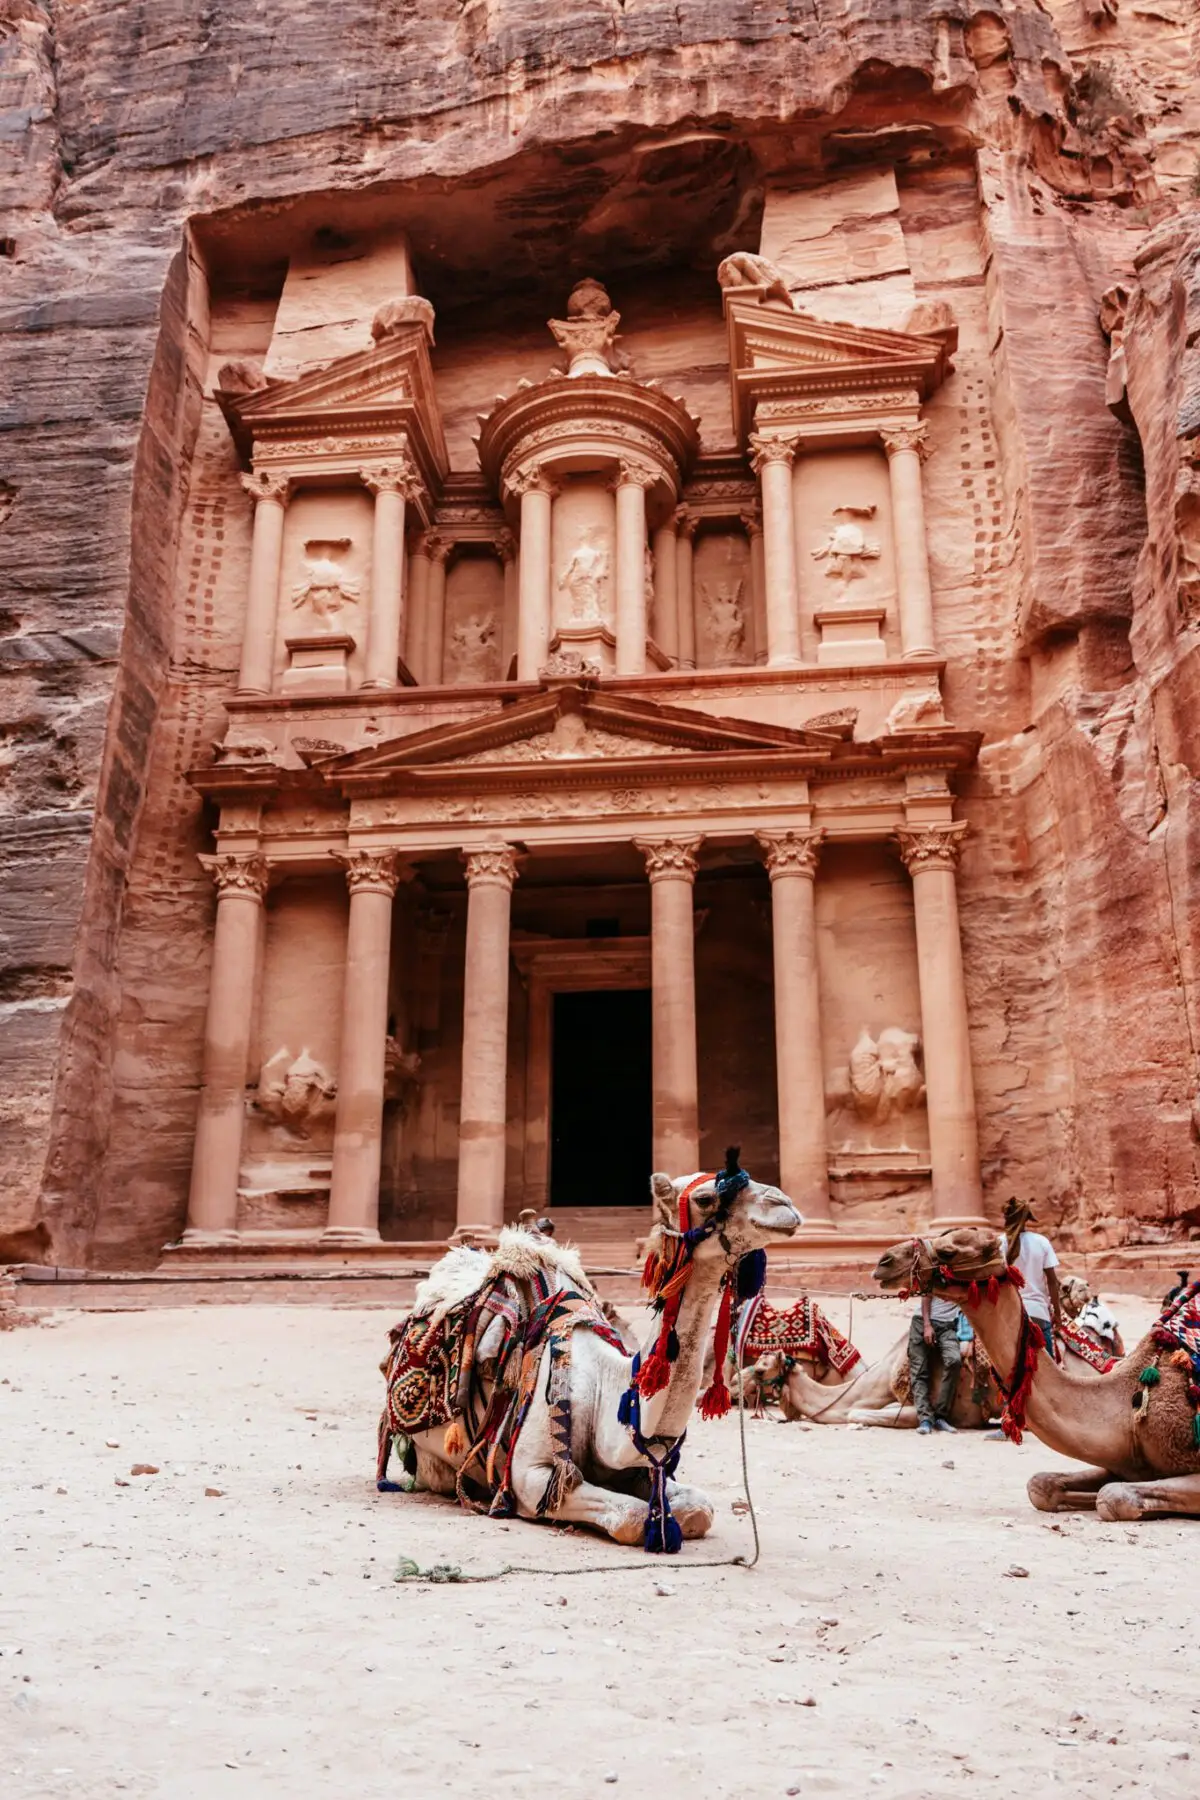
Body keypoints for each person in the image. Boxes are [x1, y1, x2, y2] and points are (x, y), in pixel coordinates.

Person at [1003, 1197, 1063, 1357]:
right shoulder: (1041, 1242)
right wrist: (1057, 1314)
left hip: (1009, 1314)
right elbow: (1052, 1282)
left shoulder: (999, 1244)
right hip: (1038, 1313)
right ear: (1028, 1217)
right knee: (1048, 1370)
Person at [908, 1289, 963, 1435]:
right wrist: (927, 1325)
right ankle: (925, 1419)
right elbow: (926, 1295)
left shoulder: (965, 1274)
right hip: (922, 1321)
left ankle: (940, 1416)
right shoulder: (937, 1270)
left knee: (954, 1361)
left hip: (948, 1326)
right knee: (919, 1371)